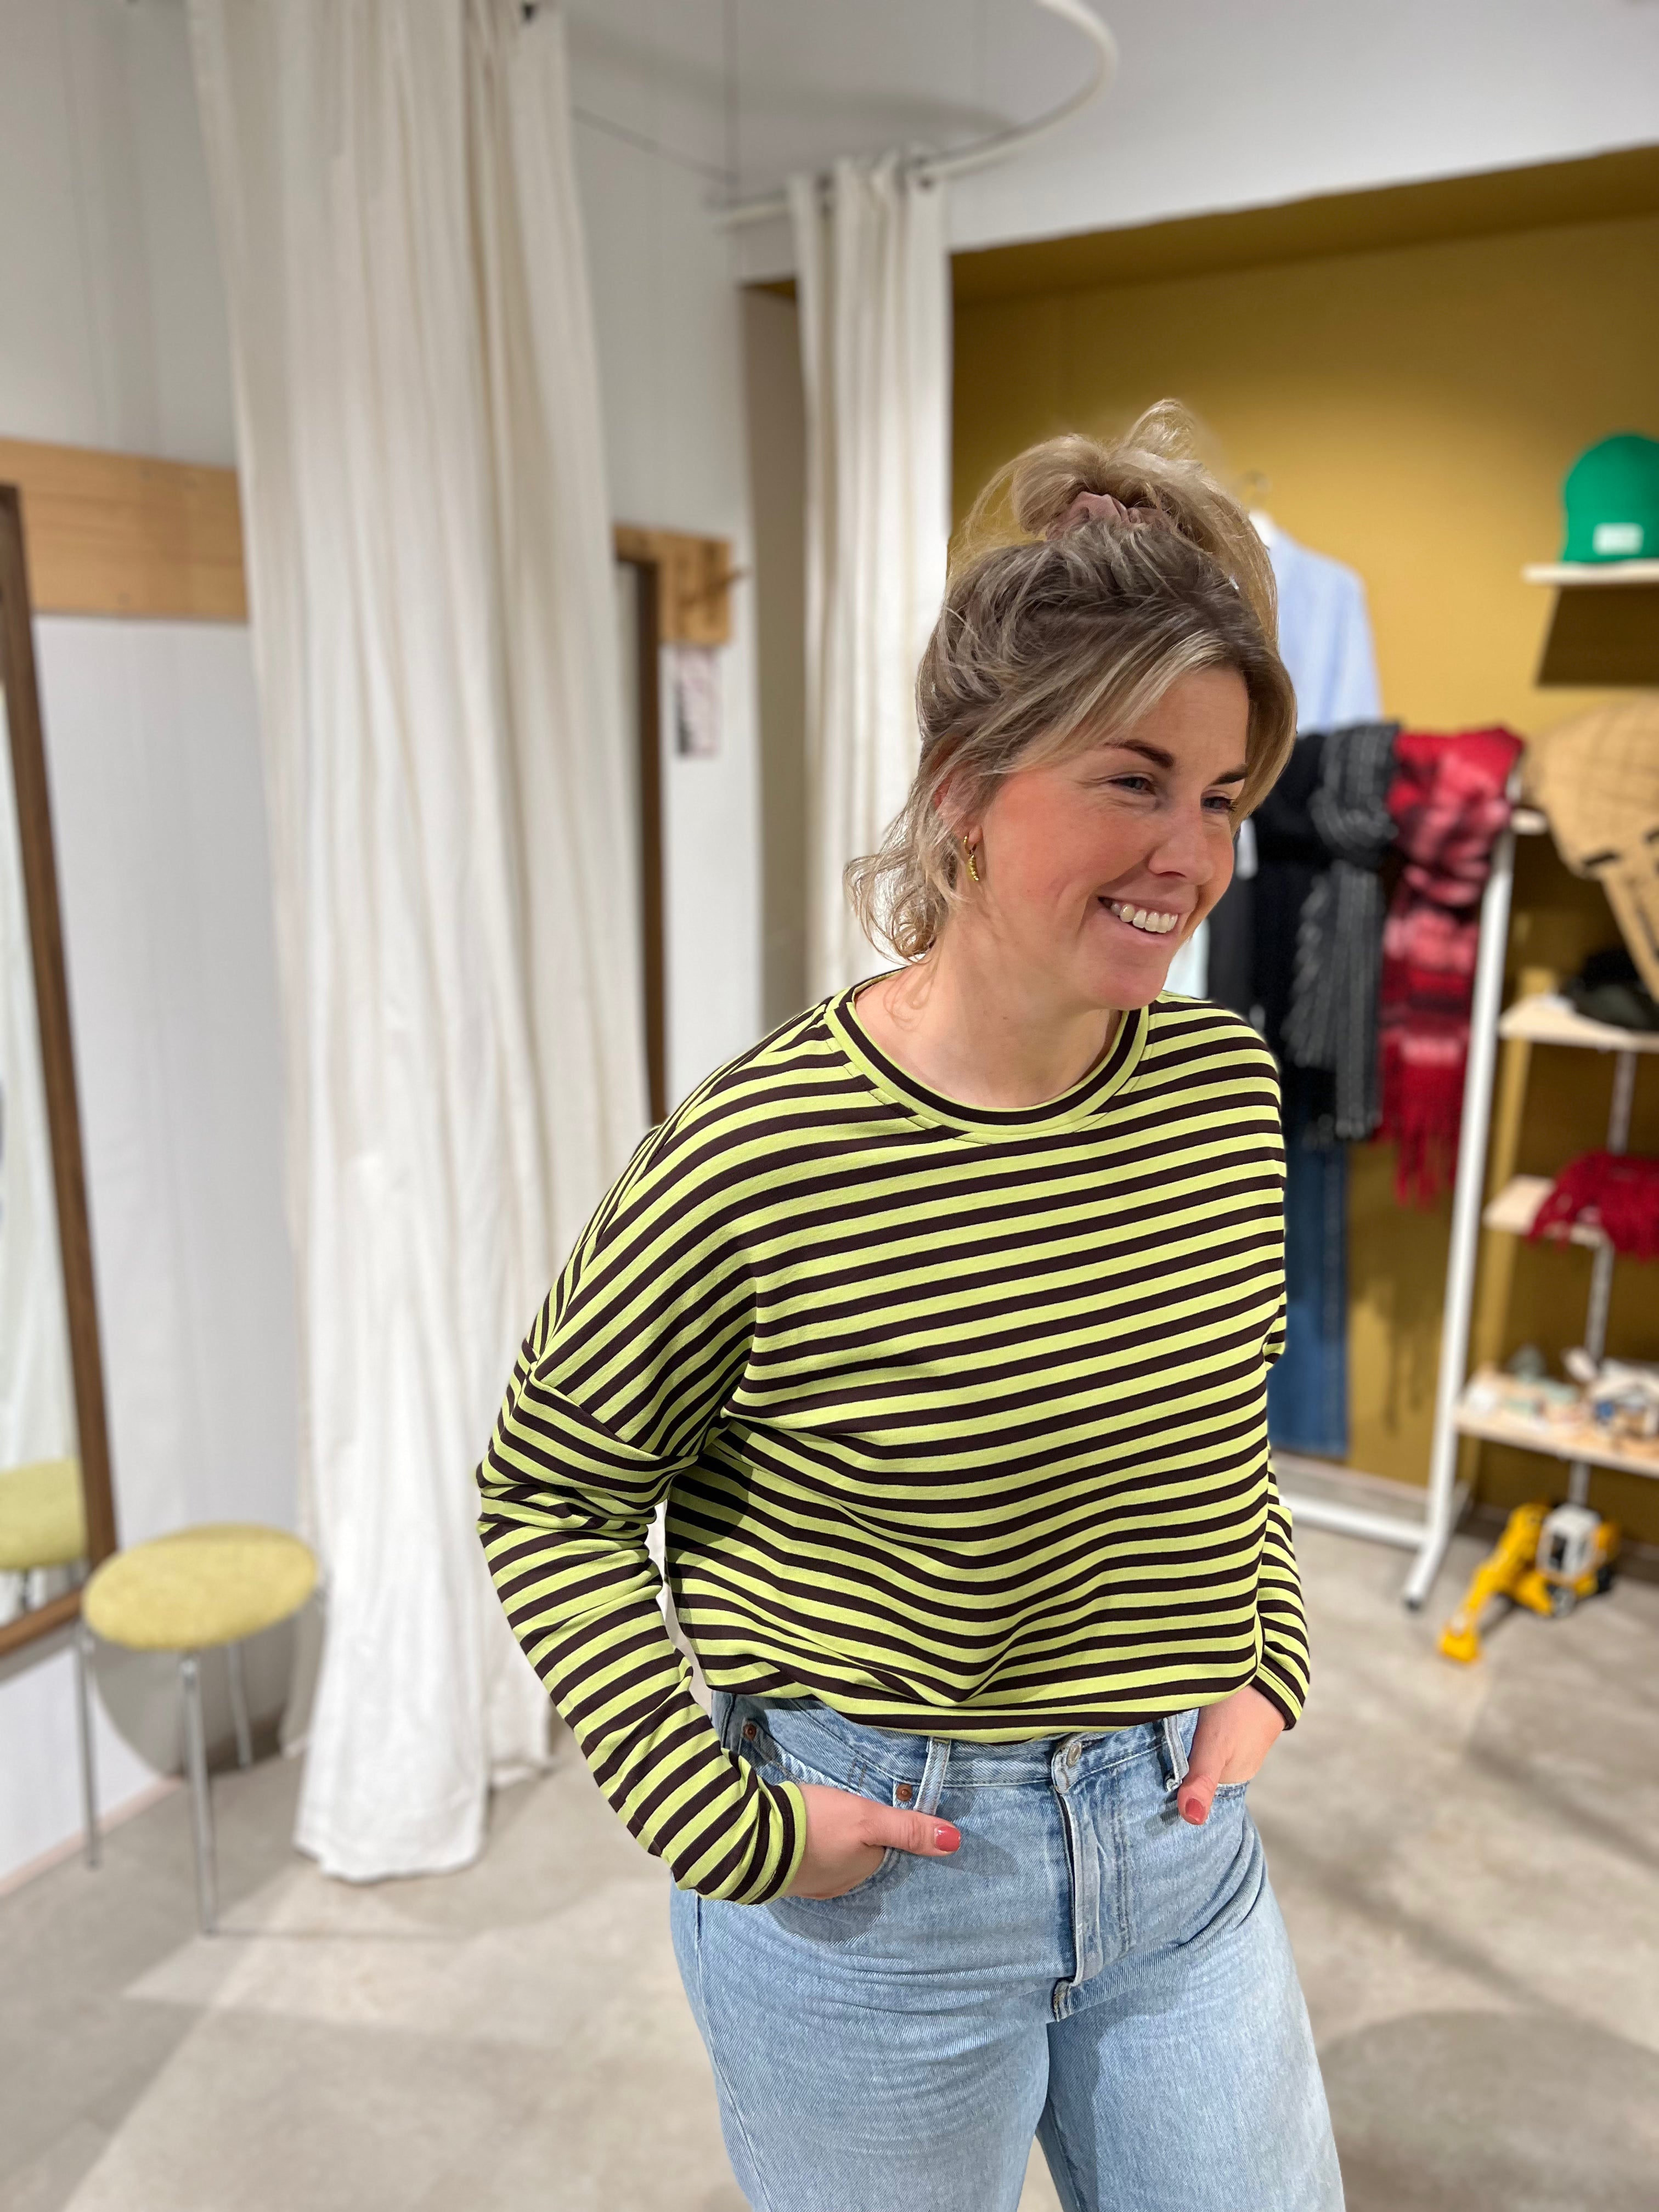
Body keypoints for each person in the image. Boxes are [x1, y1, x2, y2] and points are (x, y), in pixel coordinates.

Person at [476, 402, 1344, 2212]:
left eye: (1220, 798)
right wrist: (719, 1819)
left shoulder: (1225, 1092)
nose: (1189, 856)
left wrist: (1265, 1650)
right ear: (963, 784)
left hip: (1181, 1856)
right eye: (1132, 781)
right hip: (880, 1895)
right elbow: (547, 1493)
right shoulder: (759, 1149)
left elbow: (1218, 1435)